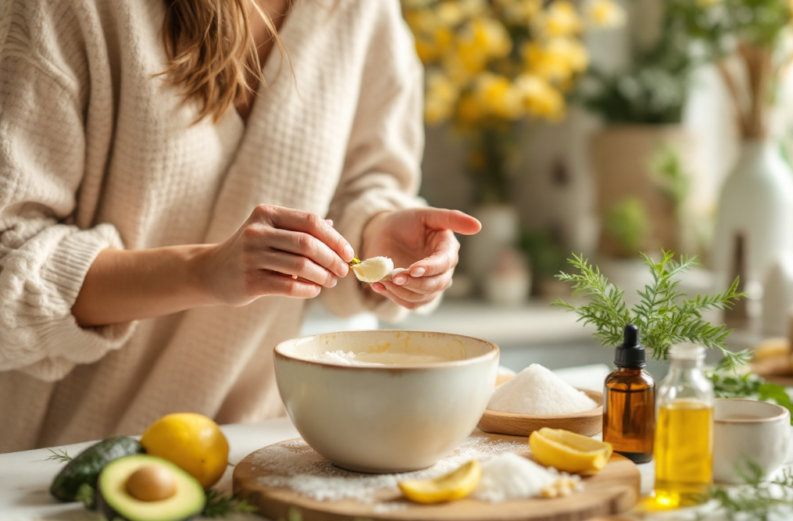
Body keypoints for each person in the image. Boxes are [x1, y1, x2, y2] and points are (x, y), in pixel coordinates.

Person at [0, 0, 481, 453]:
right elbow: (9, 261)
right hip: (64, 462)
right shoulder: (66, 11)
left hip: (259, 449)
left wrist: (377, 231)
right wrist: (203, 271)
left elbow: (366, 180)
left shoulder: (361, 9)